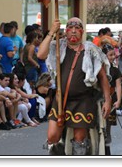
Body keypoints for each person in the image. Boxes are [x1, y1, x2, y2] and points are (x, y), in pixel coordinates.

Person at [37, 17, 111, 155]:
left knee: (79, 138)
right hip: (60, 99)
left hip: (83, 100)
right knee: (52, 136)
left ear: (82, 32)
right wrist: (52, 31)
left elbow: (102, 77)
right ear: (66, 31)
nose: (73, 32)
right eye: (70, 29)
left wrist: (108, 100)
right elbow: (41, 54)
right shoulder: (57, 46)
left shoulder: (91, 51)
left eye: (77, 29)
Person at [101, 44, 122, 155]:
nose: (113, 56)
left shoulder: (115, 70)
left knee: (107, 127)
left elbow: (118, 86)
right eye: (110, 55)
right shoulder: (98, 70)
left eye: (114, 54)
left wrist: (118, 100)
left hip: (111, 102)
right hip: (99, 102)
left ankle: (106, 151)